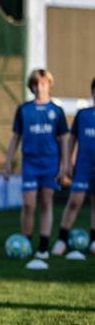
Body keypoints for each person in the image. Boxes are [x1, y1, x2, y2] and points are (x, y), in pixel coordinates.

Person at [3, 69, 69, 259]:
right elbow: (16, 137)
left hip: (50, 163)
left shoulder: (57, 111)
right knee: (29, 204)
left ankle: (43, 247)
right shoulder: (24, 110)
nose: (40, 88)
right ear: (31, 87)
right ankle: (26, 243)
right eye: (36, 84)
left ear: (49, 86)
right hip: (30, 163)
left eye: (43, 84)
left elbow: (64, 139)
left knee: (46, 202)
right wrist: (8, 162)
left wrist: (64, 164)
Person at [51, 77, 95, 256]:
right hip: (83, 167)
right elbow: (72, 140)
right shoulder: (83, 115)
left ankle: (93, 241)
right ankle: (62, 239)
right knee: (74, 201)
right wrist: (67, 162)